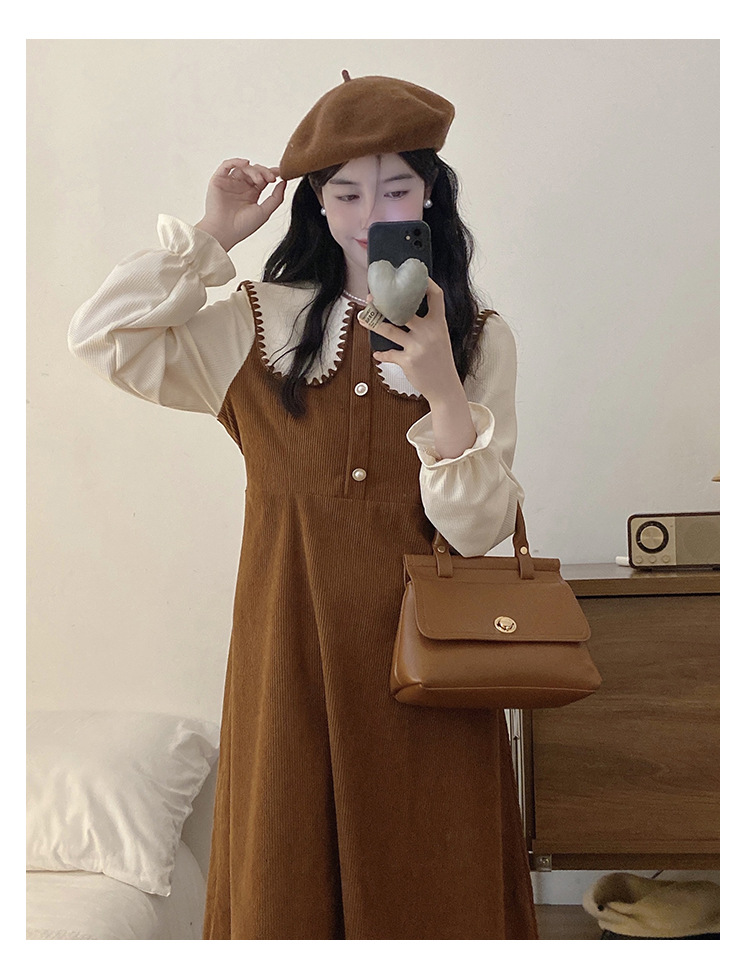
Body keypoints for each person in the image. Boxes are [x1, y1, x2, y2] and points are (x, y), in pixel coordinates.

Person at [68, 72, 538, 940]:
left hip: (429, 661)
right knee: (284, 875)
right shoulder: (253, 323)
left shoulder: (478, 336)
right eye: (346, 192)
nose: (370, 213)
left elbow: (477, 532)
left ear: (428, 197)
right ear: (318, 204)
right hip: (286, 651)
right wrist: (213, 234)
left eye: (395, 189)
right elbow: (104, 337)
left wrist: (442, 388)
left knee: (435, 878)